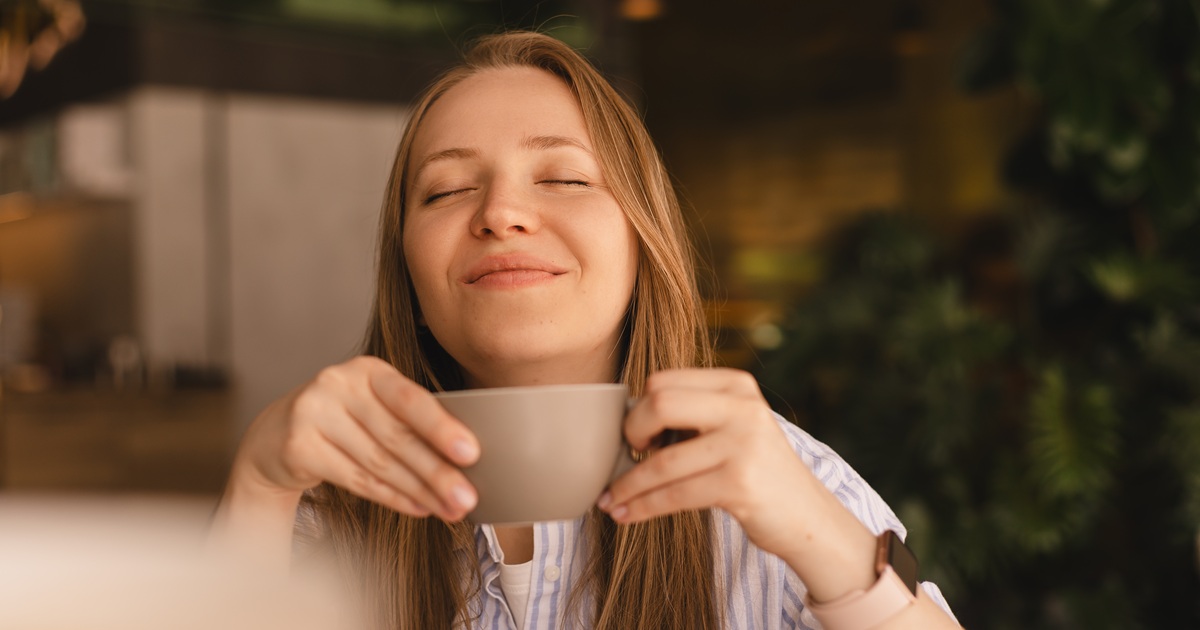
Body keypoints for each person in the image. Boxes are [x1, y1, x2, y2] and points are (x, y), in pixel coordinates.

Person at [210, 31, 962, 630]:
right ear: (406, 269)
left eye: (565, 178)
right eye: (447, 189)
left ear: (642, 240)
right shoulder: (321, 511)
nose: (501, 213)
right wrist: (259, 488)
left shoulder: (788, 484)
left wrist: (827, 544)